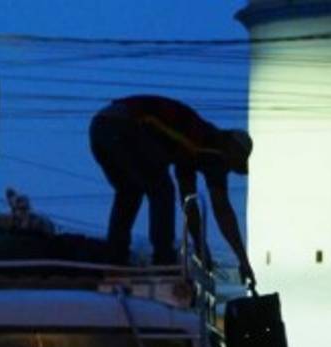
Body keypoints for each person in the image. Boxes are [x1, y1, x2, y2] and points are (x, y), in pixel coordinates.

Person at [88, 95, 255, 285]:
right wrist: (242, 260)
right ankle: (163, 260)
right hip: (122, 125)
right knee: (161, 190)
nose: (226, 171)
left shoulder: (193, 151)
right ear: (232, 149)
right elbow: (222, 211)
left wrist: (201, 247)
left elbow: (189, 203)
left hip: (100, 128)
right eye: (232, 166)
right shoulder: (210, 147)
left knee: (129, 192)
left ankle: (115, 260)